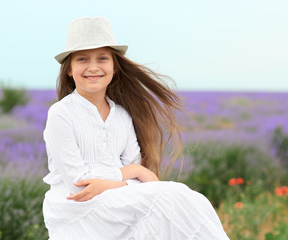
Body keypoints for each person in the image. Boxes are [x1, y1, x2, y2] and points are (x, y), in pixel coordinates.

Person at [42, 16, 229, 240]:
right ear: (69, 70)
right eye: (82, 59)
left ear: (114, 67)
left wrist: (113, 182)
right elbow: (79, 185)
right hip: (78, 211)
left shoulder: (121, 116)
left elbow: (134, 182)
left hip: (116, 201)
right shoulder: (61, 113)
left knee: (191, 200)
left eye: (102, 58)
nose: (93, 67)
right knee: (171, 196)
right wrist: (134, 172)